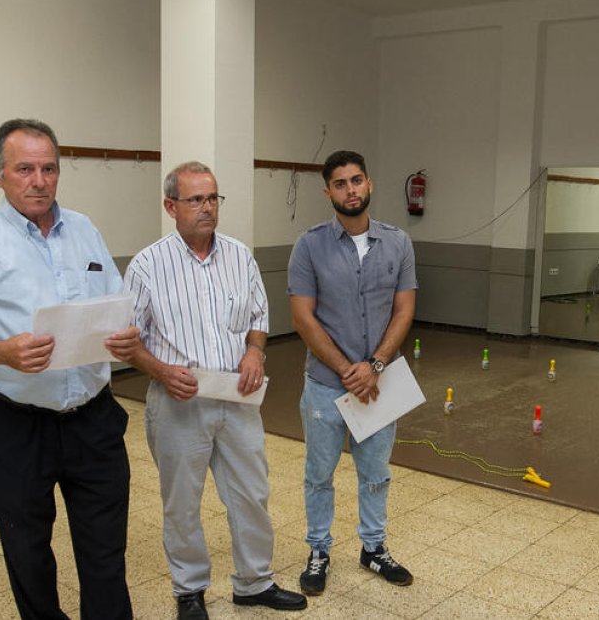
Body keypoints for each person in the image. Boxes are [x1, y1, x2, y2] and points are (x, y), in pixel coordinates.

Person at [0, 119, 134, 619]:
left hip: (93, 420)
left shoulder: (84, 230)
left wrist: (126, 335)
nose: (39, 180)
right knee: (29, 554)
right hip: (18, 424)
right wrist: (2, 352)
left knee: (105, 551)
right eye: (25, 169)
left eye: (48, 169)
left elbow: (116, 301)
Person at [117, 161, 307, 620]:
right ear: (170, 206)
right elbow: (127, 339)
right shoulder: (148, 265)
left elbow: (258, 318)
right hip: (179, 400)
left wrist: (256, 353)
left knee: (251, 493)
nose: (207, 208)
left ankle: (254, 582)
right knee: (182, 503)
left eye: (213, 198)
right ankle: (189, 589)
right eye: (195, 199)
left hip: (238, 396)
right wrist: (161, 372)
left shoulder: (240, 256)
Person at [286, 150, 417, 596]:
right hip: (326, 386)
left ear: (370, 183)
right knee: (319, 473)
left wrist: (375, 365)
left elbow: (404, 310)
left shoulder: (398, 243)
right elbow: (303, 317)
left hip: (381, 385)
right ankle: (319, 550)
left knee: (376, 473)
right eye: (340, 184)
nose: (350, 190)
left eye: (356, 180)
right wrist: (348, 370)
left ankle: (374, 548)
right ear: (328, 192)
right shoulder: (309, 245)